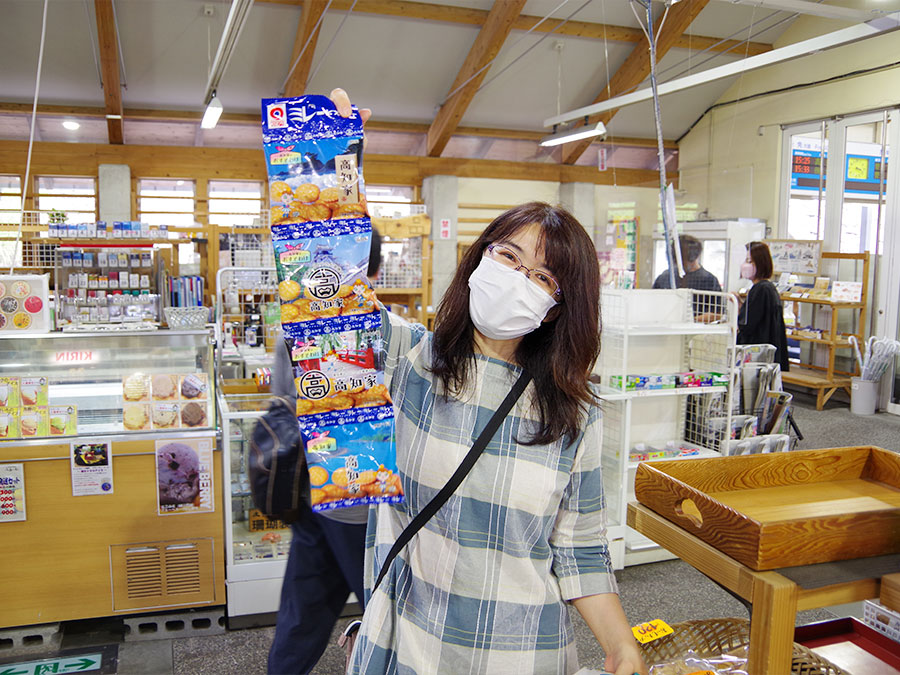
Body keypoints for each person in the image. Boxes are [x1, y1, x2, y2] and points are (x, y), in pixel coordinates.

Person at [328, 87, 645, 675]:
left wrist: (622, 644)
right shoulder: (407, 359)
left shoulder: (573, 417)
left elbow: (578, 548)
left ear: (556, 308)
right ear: (479, 259)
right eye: (509, 257)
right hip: (406, 648)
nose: (520, 277)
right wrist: (332, 159)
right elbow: (326, 298)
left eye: (544, 276)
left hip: (521, 655)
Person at [266, 226, 383, 675]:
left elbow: (283, 407)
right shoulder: (380, 333)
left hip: (308, 491)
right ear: (374, 271)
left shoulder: (293, 332)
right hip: (364, 502)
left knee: (302, 615)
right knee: (388, 613)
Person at [737, 241, 790, 372]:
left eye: (749, 261)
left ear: (761, 263)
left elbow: (748, 325)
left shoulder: (762, 289)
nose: (745, 265)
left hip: (758, 356)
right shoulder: (764, 288)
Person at [653, 234, 723, 321]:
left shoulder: (709, 280)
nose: (680, 264)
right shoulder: (665, 278)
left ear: (695, 256)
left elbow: (718, 314)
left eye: (684, 259)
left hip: (697, 332)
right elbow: (653, 307)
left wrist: (689, 321)